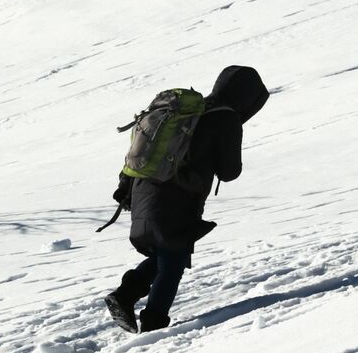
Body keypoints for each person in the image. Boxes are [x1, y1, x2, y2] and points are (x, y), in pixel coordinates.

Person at [105, 65, 269, 332]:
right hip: (177, 195)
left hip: (142, 189)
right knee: (173, 258)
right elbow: (229, 171)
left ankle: (126, 294)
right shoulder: (225, 117)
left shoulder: (192, 111)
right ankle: (153, 325)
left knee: (168, 253)